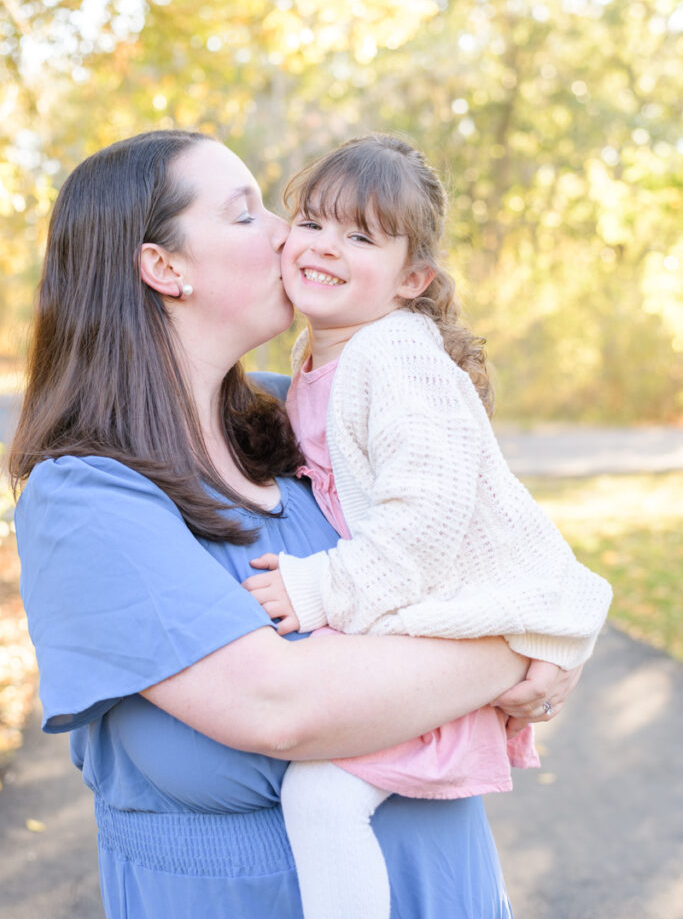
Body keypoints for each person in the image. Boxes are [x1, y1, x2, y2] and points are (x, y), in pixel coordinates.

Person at [10, 129, 581, 919]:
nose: (291, 234)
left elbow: (474, 534)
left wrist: (531, 622)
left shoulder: (310, 411)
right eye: (249, 214)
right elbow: (281, 706)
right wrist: (524, 642)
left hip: (448, 888)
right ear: (164, 267)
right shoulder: (86, 498)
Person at [242, 134, 613, 919]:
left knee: (320, 796)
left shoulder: (394, 356)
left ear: (412, 279)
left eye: (360, 236)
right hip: (425, 623)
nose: (325, 246)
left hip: (457, 614)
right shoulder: (321, 358)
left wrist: (320, 588)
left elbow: (428, 514)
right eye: (311, 222)